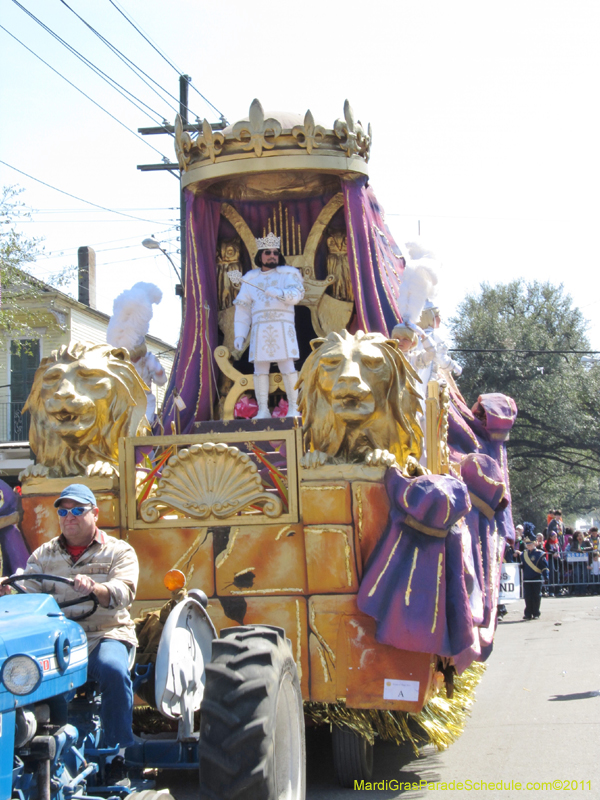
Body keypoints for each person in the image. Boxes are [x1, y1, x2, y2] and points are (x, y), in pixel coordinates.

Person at [0, 484, 139, 765]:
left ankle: (118, 754)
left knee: (113, 669)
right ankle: (31, 749)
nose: (69, 516)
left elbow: (124, 592)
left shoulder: (118, 551)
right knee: (19, 675)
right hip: (59, 640)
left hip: (104, 634)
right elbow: (28, 594)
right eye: (63, 511)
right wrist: (8, 590)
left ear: (95, 513)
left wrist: (96, 589)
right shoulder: (43, 556)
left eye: (78, 510)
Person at [233, 232, 305, 418]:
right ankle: (263, 410)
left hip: (282, 326)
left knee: (288, 366)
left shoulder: (288, 274)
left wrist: (280, 292)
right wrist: (240, 334)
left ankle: (294, 408)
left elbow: (297, 294)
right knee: (260, 369)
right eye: (267, 252)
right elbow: (243, 308)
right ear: (260, 256)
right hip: (260, 328)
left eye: (275, 252)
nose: (272, 255)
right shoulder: (249, 278)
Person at [521, 522, 549, 620]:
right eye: (527, 544)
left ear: (534, 543)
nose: (528, 546)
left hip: (536, 578)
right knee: (527, 596)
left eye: (530, 544)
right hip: (527, 578)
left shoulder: (540, 554)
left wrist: (546, 576)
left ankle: (536, 613)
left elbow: (544, 566)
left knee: (536, 596)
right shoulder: (523, 554)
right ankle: (528, 613)